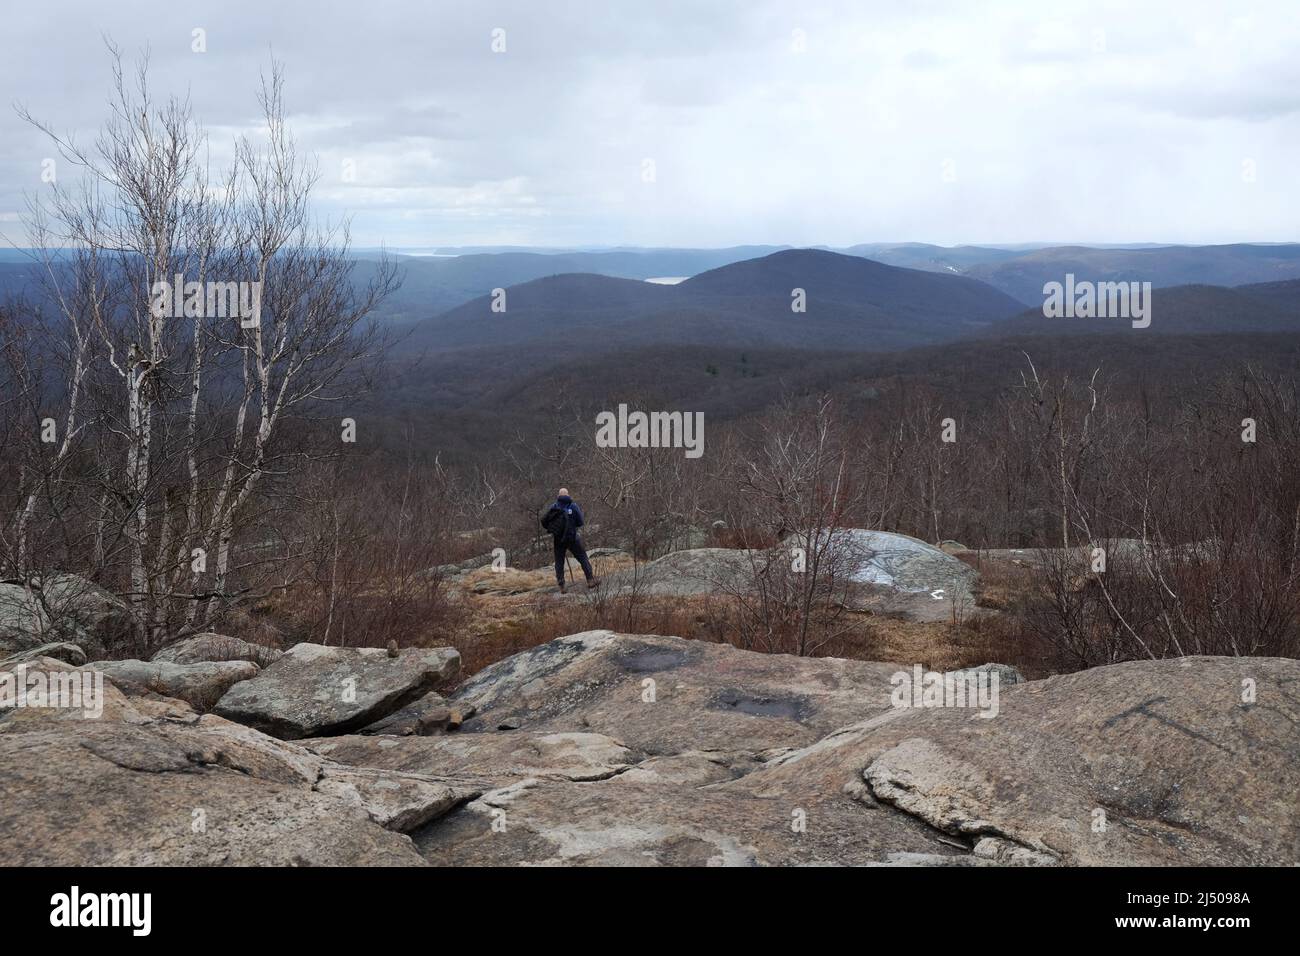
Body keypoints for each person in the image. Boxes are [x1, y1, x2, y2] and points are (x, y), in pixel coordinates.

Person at [541, 487, 600, 593]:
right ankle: (590, 580)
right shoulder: (573, 506)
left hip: (558, 539)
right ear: (568, 495)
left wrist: (554, 529)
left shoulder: (553, 507)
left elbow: (545, 522)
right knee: (582, 558)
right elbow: (581, 521)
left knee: (559, 562)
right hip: (572, 537)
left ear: (558, 496)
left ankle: (562, 585)